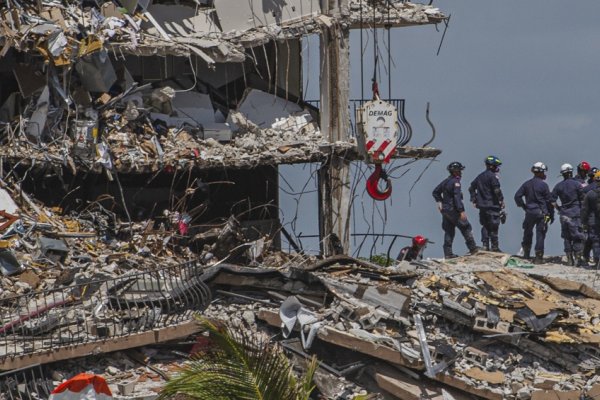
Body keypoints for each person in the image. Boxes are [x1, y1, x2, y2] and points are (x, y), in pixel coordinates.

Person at [432, 162, 479, 258]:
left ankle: (448, 254)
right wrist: (461, 211)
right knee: (466, 227)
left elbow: (435, 192)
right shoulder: (455, 183)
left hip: (445, 211)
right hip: (454, 210)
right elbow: (457, 198)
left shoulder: (445, 181)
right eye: (460, 171)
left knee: (449, 231)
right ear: (455, 172)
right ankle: (473, 249)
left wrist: (440, 203)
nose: (461, 173)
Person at [514, 162, 554, 264]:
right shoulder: (544, 185)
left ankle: (526, 254)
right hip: (542, 214)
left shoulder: (526, 184)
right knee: (540, 234)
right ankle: (538, 258)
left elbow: (517, 196)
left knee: (527, 232)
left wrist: (524, 206)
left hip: (529, 213)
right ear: (540, 172)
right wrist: (551, 215)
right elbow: (549, 201)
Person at [551, 163, 585, 266]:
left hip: (564, 215)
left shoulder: (558, 186)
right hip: (575, 214)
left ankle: (569, 260)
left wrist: (559, 208)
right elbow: (583, 200)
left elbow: (552, 201)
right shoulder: (577, 185)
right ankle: (578, 260)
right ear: (571, 172)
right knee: (577, 237)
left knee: (567, 237)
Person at [469, 155, 505, 252]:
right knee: (494, 226)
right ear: (492, 166)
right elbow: (497, 190)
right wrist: (501, 200)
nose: (498, 168)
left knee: (485, 225)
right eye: (496, 166)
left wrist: (474, 199)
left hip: (482, 207)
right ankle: (495, 247)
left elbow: (471, 187)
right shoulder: (493, 177)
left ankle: (485, 245)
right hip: (492, 206)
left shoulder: (480, 176)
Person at [582, 170, 600, 268]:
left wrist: (584, 222)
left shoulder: (590, 194)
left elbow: (585, 210)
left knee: (596, 240)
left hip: (593, 221)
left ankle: (597, 262)